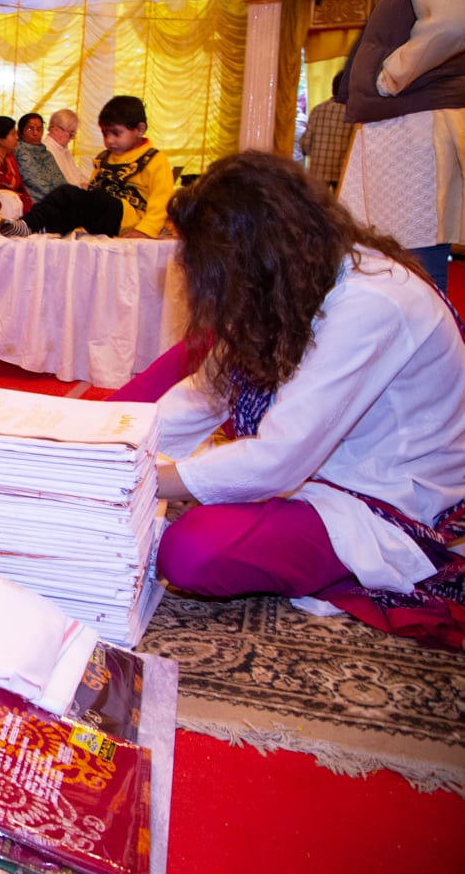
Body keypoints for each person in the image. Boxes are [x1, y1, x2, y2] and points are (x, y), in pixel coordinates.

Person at [115, 152, 465, 646]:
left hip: (383, 492)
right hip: (314, 463)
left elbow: (279, 459)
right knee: (177, 370)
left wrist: (138, 478)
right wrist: (113, 451)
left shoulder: (371, 301)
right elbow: (204, 395)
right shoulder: (295, 278)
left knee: (190, 551)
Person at [336, 0, 465, 292]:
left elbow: (451, 22)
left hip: (415, 116)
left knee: (409, 270)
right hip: (410, 113)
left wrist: (388, 79)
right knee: (389, 263)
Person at [0, 95, 174, 238]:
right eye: (105, 134)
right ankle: (36, 227)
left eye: (116, 133)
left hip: (128, 219)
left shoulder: (154, 159)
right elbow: (94, 190)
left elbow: (162, 201)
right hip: (103, 215)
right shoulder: (105, 157)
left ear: (140, 129)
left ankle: (29, 224)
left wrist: (145, 230)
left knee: (68, 192)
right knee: (71, 205)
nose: (109, 140)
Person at [299, 76, 353, 191]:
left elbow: (305, 144)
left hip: (317, 172)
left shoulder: (317, 110)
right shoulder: (353, 114)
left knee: (315, 201)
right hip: (342, 173)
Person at [14, 111, 68, 203]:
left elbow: (59, 180)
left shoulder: (46, 154)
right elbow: (33, 182)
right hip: (38, 203)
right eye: (30, 129)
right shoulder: (18, 151)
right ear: (21, 132)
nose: (35, 133)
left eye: (39, 129)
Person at [44, 108, 88, 188]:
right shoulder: (46, 151)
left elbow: (78, 177)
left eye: (74, 134)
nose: (73, 138)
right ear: (56, 130)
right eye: (71, 134)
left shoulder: (64, 150)